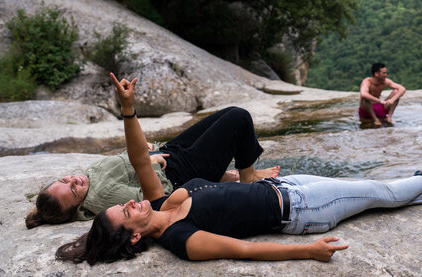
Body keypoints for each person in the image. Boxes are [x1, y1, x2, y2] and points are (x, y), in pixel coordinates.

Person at [55, 74, 422, 264]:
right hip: (302, 212)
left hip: (288, 184)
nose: (131, 203)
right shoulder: (182, 240)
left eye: (125, 205)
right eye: (127, 213)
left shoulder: (160, 201)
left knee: (364, 187)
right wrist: (308, 253)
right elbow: (245, 250)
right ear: (134, 239)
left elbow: (141, 158)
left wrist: (128, 109)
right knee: (377, 191)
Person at [25, 81, 279, 229]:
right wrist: (151, 163)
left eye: (64, 180)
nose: (73, 181)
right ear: (77, 207)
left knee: (227, 114)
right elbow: (152, 197)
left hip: (167, 153)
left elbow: (121, 166)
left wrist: (141, 150)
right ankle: (247, 176)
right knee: (238, 117)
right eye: (72, 190)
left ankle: (221, 176)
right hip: (180, 173)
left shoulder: (88, 181)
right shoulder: (102, 196)